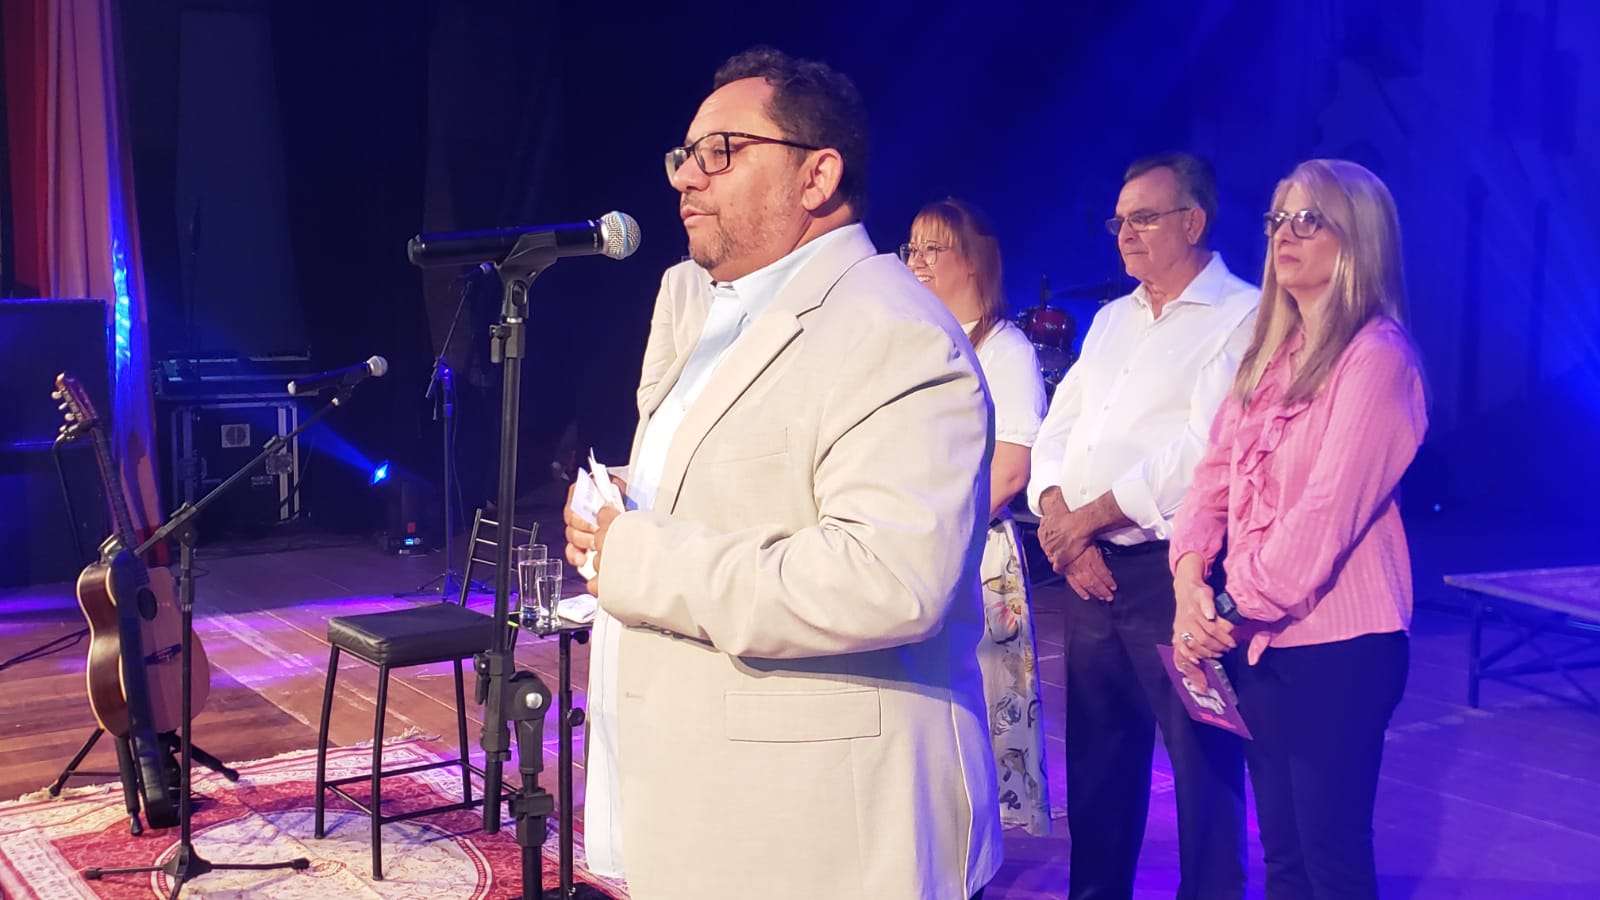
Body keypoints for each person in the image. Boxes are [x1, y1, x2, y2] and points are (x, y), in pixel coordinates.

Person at [565, 47, 1002, 900]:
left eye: (720, 151)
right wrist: (615, 503)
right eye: (684, 154)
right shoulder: (707, 307)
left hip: (823, 837)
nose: (686, 177)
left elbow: (886, 578)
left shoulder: (893, 331)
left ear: (817, 176)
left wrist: (635, 554)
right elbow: (729, 480)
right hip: (708, 802)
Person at [1169, 158, 1426, 900]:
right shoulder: (1270, 358)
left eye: (1310, 219)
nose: (1286, 233)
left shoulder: (1377, 358)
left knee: (1330, 861)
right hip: (1259, 639)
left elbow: (1323, 517)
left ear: (1359, 238)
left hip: (1342, 647)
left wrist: (1222, 609)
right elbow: (1211, 480)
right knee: (1283, 859)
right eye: (1279, 218)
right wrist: (1189, 581)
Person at [1025, 152, 1258, 899]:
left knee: (1202, 763)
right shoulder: (1113, 319)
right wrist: (1061, 525)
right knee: (1099, 761)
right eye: (1119, 220)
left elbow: (1203, 452)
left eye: (1144, 218)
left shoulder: (1242, 316)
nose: (1124, 233)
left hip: (1176, 574)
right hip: (1090, 569)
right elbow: (1057, 430)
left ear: (1193, 222)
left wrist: (1085, 522)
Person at [902, 197, 1051, 835]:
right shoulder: (914, 340)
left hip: (972, 552)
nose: (918, 261)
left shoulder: (1005, 349)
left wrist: (937, 530)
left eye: (934, 248)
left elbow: (1010, 470)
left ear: (973, 262)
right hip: (912, 547)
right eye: (912, 248)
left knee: (979, 720)